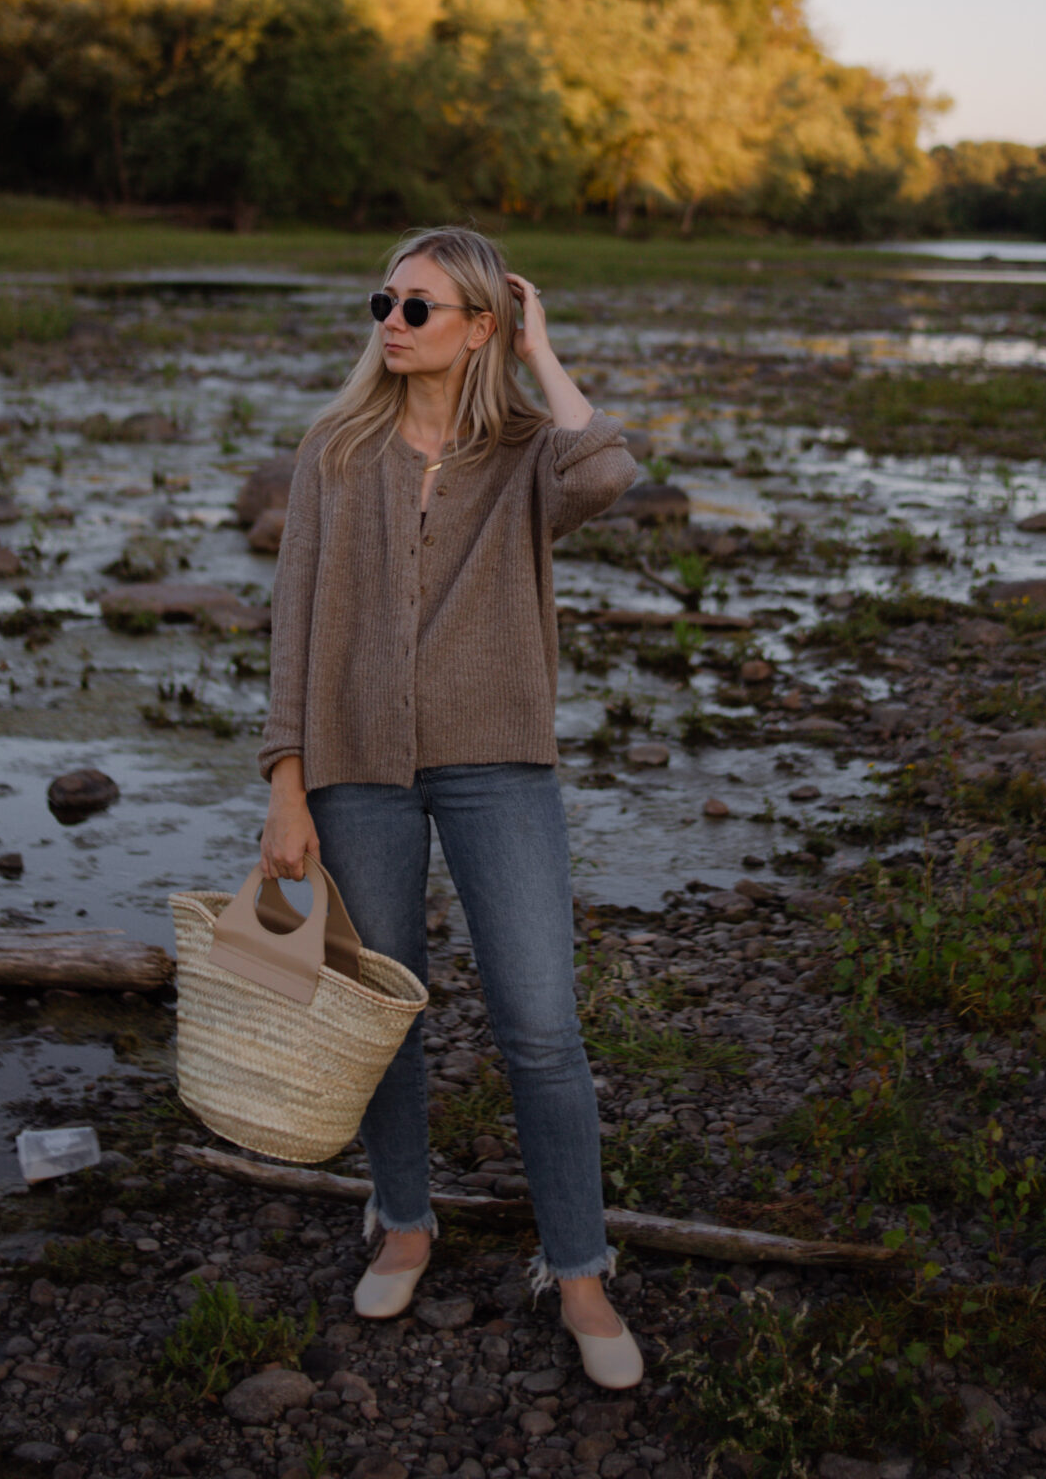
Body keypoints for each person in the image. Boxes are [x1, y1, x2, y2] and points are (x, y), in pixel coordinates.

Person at [257, 225, 643, 1388]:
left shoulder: (530, 453)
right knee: (388, 1013)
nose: (390, 321)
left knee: (541, 1028)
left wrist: (540, 351)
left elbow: (611, 473)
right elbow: (293, 626)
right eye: (384, 300)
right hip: (355, 765)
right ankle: (406, 1221)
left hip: (499, 766)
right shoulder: (335, 450)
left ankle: (577, 1271)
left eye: (419, 307)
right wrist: (286, 780)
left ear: (479, 325)